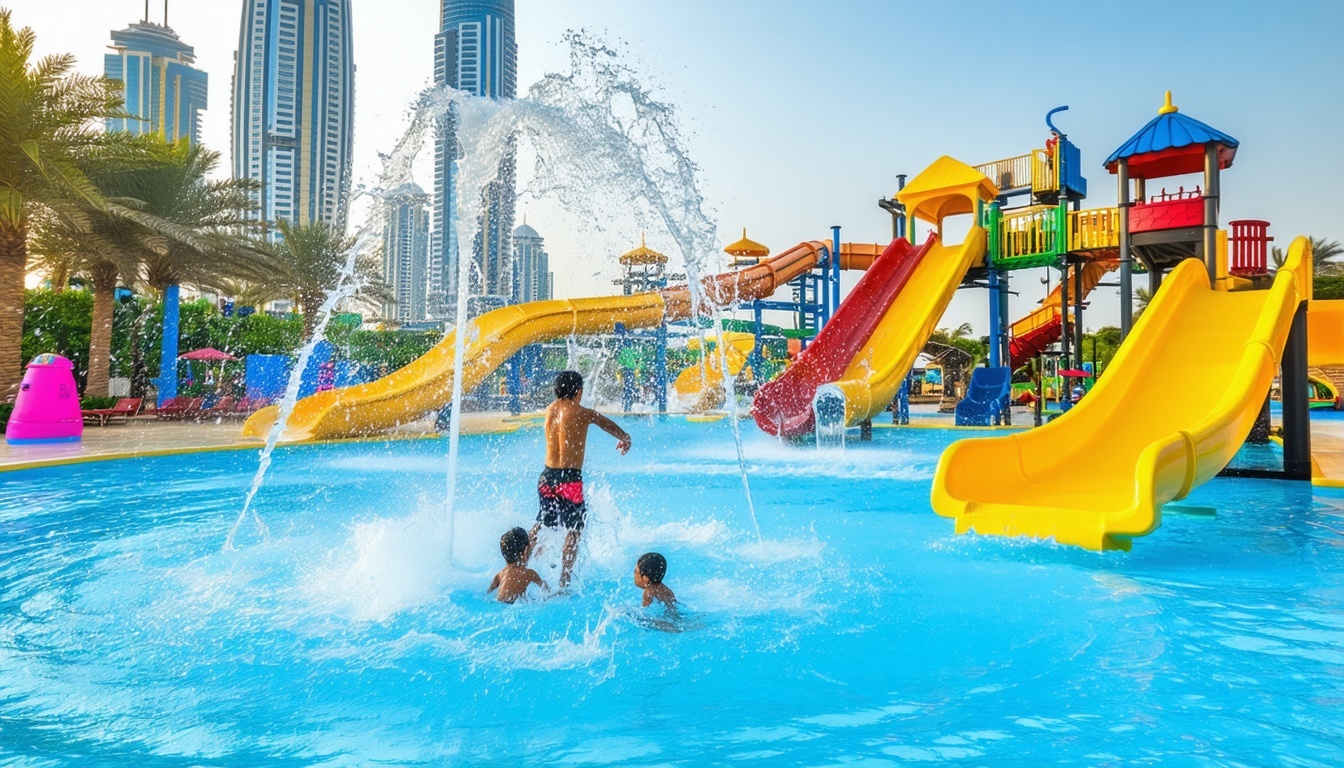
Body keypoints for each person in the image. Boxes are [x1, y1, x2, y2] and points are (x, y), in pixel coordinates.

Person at [528, 370, 631, 588]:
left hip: (546, 478)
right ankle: (565, 577)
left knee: (541, 523)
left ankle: (519, 563)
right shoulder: (583, 413)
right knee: (574, 529)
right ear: (579, 391)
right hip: (569, 480)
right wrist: (625, 437)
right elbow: (606, 424)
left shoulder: (550, 410)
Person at [488, 527, 547, 604]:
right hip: (516, 604)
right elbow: (545, 590)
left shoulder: (500, 574)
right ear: (526, 550)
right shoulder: (529, 573)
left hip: (499, 603)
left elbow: (489, 592)